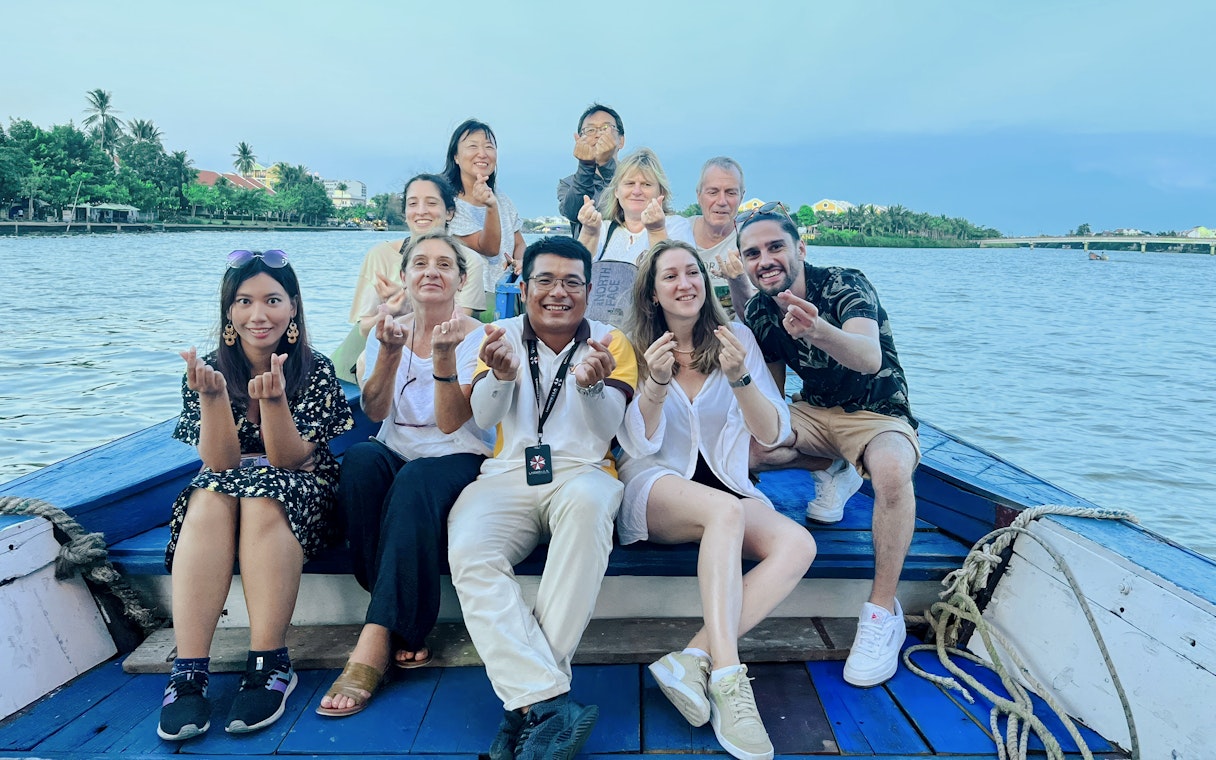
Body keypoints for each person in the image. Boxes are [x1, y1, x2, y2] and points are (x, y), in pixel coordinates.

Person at [617, 241, 815, 760]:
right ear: (653, 293)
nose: (685, 284)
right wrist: (656, 384)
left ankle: (692, 657)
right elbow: (635, 444)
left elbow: (773, 433)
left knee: (798, 544)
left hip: (727, 487)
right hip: (654, 484)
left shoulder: (737, 339)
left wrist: (740, 378)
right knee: (721, 510)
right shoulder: (631, 347)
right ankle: (729, 677)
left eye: (693, 273)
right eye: (670, 276)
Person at [446, 236, 638, 759]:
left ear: (589, 291)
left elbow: (607, 428)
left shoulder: (611, 342)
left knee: (590, 509)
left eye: (572, 282)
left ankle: (527, 706)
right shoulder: (497, 335)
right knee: (470, 549)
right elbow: (484, 417)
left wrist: (593, 387)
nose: (558, 292)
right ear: (524, 286)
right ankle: (548, 702)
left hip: (583, 472)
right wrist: (501, 376)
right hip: (508, 473)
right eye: (546, 280)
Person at [157, 249, 354, 741]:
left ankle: (270, 663)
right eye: (244, 301)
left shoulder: (316, 369)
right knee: (207, 496)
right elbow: (220, 462)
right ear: (229, 311)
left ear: (293, 307)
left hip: (302, 490)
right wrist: (212, 397)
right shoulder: (207, 370)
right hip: (230, 487)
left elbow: (288, 460)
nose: (258, 314)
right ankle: (188, 671)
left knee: (262, 491)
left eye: (272, 300)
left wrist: (273, 401)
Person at [737, 204, 920, 688]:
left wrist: (816, 328)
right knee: (750, 449)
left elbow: (868, 357)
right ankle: (836, 466)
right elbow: (773, 399)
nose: (765, 260)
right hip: (816, 412)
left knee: (891, 473)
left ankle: (882, 612)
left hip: (877, 412)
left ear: (800, 248)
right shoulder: (760, 311)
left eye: (775, 247)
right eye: (752, 253)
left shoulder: (843, 284)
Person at [317, 232, 490, 717]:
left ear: (461, 279)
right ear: (405, 275)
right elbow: (375, 412)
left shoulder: (478, 337)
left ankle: (373, 641)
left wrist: (442, 357)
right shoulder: (386, 332)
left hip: (461, 454)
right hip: (397, 449)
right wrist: (390, 354)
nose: (431, 271)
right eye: (421, 263)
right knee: (359, 463)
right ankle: (401, 623)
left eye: (444, 264)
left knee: (415, 481)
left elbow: (453, 421)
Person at [334, 174, 486, 382]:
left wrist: (410, 305)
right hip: (389, 351)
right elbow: (365, 328)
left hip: (446, 355)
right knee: (364, 362)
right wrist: (390, 313)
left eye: (431, 203)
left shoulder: (468, 261)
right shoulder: (380, 255)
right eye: (413, 204)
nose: (421, 211)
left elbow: (458, 327)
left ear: (449, 212)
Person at [444, 119, 526, 311]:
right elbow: (489, 248)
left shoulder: (502, 198)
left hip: (507, 295)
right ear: (456, 157)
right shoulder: (449, 205)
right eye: (472, 146)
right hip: (473, 302)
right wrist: (490, 207)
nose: (482, 153)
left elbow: (519, 243)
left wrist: (522, 261)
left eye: (489, 147)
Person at [576, 147, 694, 266]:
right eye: (630, 183)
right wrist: (589, 232)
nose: (637, 191)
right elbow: (576, 269)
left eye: (646, 184)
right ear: (616, 191)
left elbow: (676, 270)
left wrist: (657, 231)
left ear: (661, 192)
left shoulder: (676, 226)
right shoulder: (602, 229)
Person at [688, 157, 755, 313]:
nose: (722, 201)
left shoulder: (752, 240)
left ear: (742, 197)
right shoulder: (678, 232)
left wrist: (738, 281)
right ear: (699, 195)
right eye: (713, 192)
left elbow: (760, 310)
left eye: (731, 193)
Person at [556, 103, 625, 237]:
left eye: (606, 128)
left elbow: (629, 207)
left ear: (621, 141)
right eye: (590, 130)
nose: (598, 134)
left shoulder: (639, 177)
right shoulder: (568, 184)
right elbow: (573, 213)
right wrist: (586, 166)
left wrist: (606, 163)